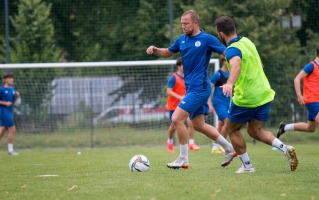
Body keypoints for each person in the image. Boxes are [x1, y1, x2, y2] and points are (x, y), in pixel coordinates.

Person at [146, 10, 236, 169]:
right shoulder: (182, 40)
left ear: (195, 23)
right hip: (192, 89)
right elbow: (167, 52)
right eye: (181, 23)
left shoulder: (207, 39)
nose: (183, 26)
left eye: (186, 23)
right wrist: (155, 49)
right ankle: (229, 148)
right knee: (199, 125)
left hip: (200, 88)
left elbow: (226, 51)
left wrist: (237, 61)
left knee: (176, 119)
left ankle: (183, 158)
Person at [215, 16, 298, 173]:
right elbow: (260, 64)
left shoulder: (231, 49)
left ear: (221, 34)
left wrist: (230, 83)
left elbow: (236, 66)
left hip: (247, 98)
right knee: (254, 131)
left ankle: (247, 167)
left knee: (231, 129)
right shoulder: (247, 42)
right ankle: (285, 148)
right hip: (264, 94)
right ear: (234, 28)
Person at [277, 43, 319, 138]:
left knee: (310, 128)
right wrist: (299, 95)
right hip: (312, 100)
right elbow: (297, 79)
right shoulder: (311, 66)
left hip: (316, 101)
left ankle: (285, 127)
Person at [166, 57, 200, 153]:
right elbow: (168, 92)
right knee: (173, 127)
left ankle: (192, 143)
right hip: (173, 106)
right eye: (184, 65)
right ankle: (169, 140)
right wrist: (179, 97)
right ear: (179, 66)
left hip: (185, 105)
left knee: (191, 122)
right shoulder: (173, 77)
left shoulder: (188, 77)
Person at [208, 54, 230, 154]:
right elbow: (209, 88)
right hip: (218, 102)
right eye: (228, 61)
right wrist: (209, 103)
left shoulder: (231, 74)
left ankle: (215, 146)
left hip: (227, 103)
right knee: (228, 122)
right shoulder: (218, 74)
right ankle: (223, 145)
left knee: (221, 124)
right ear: (224, 61)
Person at [0, 72, 20, 155]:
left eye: (12, 78)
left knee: (2, 130)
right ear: (5, 79)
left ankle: (10, 150)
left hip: (9, 111)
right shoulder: (1, 90)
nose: (11, 79)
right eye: (9, 78)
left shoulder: (12, 90)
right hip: (4, 112)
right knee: (12, 129)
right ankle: (10, 150)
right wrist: (5, 103)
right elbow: (5, 102)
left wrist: (16, 96)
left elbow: (13, 102)